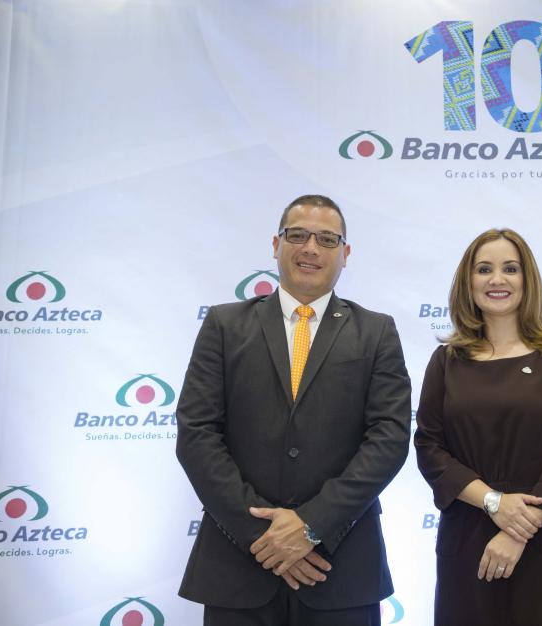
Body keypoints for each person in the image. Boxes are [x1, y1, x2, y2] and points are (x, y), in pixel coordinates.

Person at [176, 194, 412, 626]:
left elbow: (389, 439)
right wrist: (264, 537)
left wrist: (310, 526)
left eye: (326, 239)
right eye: (297, 235)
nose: (310, 248)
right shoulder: (224, 325)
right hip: (238, 564)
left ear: (346, 253)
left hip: (340, 565)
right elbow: (197, 434)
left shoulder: (376, 332)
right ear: (275, 244)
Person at [414, 228, 542, 626]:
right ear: (468, 282)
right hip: (468, 541)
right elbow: (429, 447)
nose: (497, 279)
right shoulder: (446, 361)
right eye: (484, 269)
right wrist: (494, 502)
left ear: (527, 280)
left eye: (510, 269)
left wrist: (517, 531)